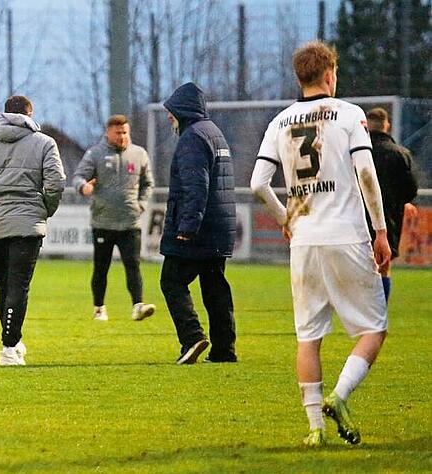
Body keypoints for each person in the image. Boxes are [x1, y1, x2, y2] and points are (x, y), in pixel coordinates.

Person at [250, 41, 390, 447]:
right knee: (373, 329)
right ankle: (339, 395)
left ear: (299, 77)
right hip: (347, 234)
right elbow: (366, 174)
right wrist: (380, 232)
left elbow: (258, 184)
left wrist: (287, 220)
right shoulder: (349, 114)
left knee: (308, 336)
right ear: (330, 74)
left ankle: (315, 430)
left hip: (305, 240)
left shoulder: (279, 122)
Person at [0, 95, 66, 366]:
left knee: (3, 284)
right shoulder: (45, 143)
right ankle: (8, 348)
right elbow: (55, 183)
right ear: (29, 114)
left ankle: (13, 342)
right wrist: (45, 209)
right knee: (19, 286)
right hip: (28, 224)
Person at [159, 82, 237, 365]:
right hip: (219, 229)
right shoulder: (215, 133)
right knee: (215, 286)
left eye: (172, 112)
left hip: (199, 230)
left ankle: (192, 338)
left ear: (183, 111)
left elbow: (196, 186)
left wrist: (187, 227)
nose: (169, 117)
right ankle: (224, 349)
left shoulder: (192, 137)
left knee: (171, 281)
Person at [72, 114, 155, 322]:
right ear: (108, 132)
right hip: (103, 222)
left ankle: (138, 305)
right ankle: (99, 308)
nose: (122, 137)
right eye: (118, 133)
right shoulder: (95, 154)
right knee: (101, 268)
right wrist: (84, 187)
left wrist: (141, 205)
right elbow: (78, 177)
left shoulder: (139, 154)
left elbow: (148, 184)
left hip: (130, 222)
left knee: (133, 265)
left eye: (125, 132)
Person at [365, 107, 419, 302]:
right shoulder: (400, 154)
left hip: (356, 216)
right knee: (383, 266)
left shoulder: (356, 153)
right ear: (387, 125)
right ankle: (378, 315)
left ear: (366, 127)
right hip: (388, 218)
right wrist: (399, 201)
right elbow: (411, 189)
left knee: (356, 266)